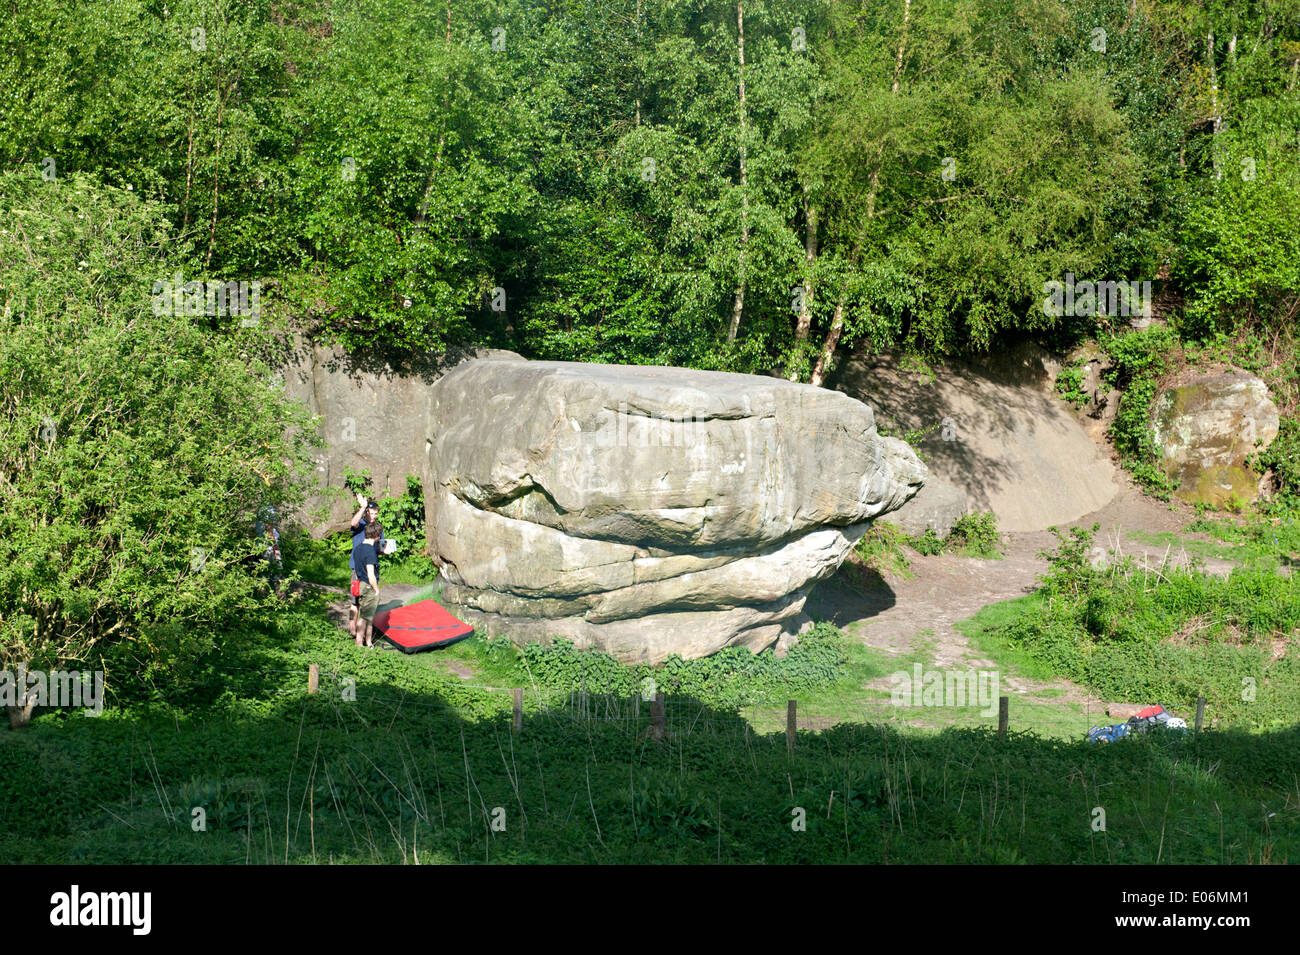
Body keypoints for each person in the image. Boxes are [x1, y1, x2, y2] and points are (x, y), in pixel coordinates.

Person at [347, 493, 385, 639]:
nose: (374, 516)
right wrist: (363, 507)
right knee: (355, 600)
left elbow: (378, 549)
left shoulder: (376, 528)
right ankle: (352, 630)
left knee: (366, 601)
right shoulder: (362, 524)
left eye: (376, 513)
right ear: (367, 512)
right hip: (357, 567)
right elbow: (353, 523)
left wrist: (384, 551)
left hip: (371, 567)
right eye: (371, 513)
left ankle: (361, 633)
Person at [351, 520, 383, 648]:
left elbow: (358, 570)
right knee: (365, 617)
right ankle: (359, 643)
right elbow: (371, 574)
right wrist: (376, 590)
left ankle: (369, 642)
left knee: (369, 616)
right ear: (377, 536)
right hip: (368, 586)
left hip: (360, 583)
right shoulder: (370, 551)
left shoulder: (358, 549)